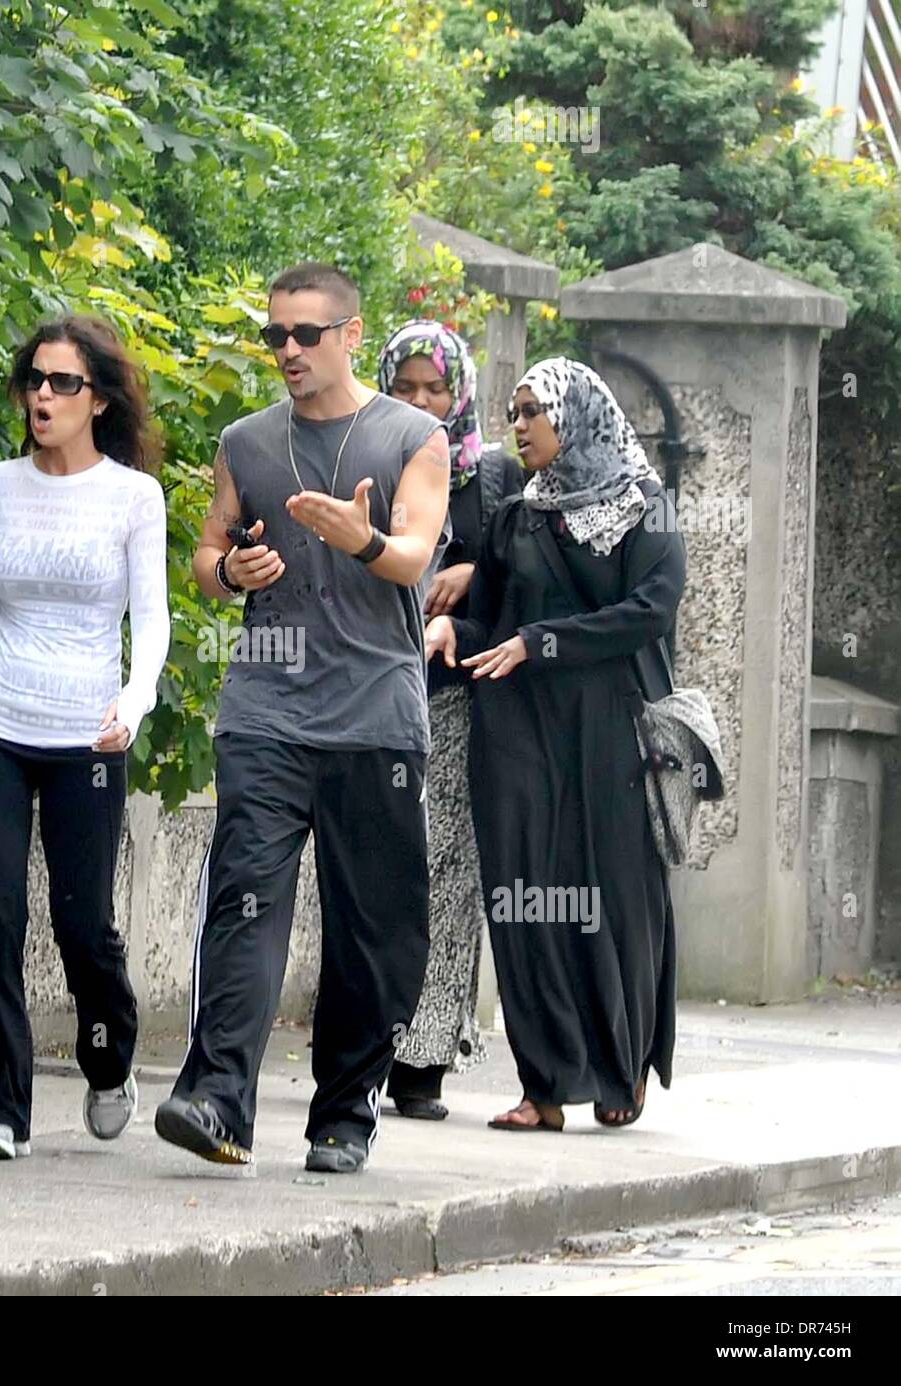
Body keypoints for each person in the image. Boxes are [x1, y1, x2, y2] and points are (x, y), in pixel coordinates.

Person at [154, 262, 451, 1173]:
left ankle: (344, 1115)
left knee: (371, 928)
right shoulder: (246, 440)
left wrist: (355, 536)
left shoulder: (414, 435)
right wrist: (226, 574)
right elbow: (206, 553)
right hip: (267, 711)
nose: (287, 350)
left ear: (352, 335)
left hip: (373, 718)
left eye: (305, 335)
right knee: (245, 903)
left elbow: (410, 556)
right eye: (275, 335)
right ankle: (216, 1100)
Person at [425, 358, 685, 1133]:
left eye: (534, 411)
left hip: (609, 728)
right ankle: (544, 1085)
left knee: (612, 897)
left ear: (576, 416)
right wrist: (450, 629)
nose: (520, 425)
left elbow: (650, 611)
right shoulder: (517, 516)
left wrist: (544, 643)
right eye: (514, 411)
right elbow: (497, 627)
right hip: (515, 729)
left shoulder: (648, 508)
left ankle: (618, 1066)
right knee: (522, 895)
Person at [0, 314, 170, 1160]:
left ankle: (107, 1054)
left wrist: (134, 701)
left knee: (82, 922)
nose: (43, 395)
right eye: (34, 380)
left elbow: (149, 621)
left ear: (99, 399)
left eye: (63, 383)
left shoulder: (131, 496)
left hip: (90, 735)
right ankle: (2, 1109)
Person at [377, 320, 522, 1120]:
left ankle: (424, 1058)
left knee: (448, 876)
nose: (424, 403)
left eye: (437, 389)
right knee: (376, 871)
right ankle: (368, 1038)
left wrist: (471, 582)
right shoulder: (365, 456)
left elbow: (522, 597)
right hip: (369, 694)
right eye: (408, 389)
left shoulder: (493, 482)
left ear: (460, 392)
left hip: (458, 698)